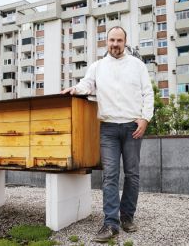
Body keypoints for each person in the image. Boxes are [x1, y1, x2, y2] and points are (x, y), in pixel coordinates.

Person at [61, 26, 154, 242]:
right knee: (110, 176)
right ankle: (110, 223)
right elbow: (87, 84)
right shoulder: (97, 66)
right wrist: (74, 89)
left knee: (132, 174)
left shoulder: (137, 66)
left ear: (125, 42)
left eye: (119, 40)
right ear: (107, 41)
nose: (115, 44)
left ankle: (127, 217)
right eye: (112, 40)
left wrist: (145, 118)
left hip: (133, 127)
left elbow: (147, 93)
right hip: (109, 129)